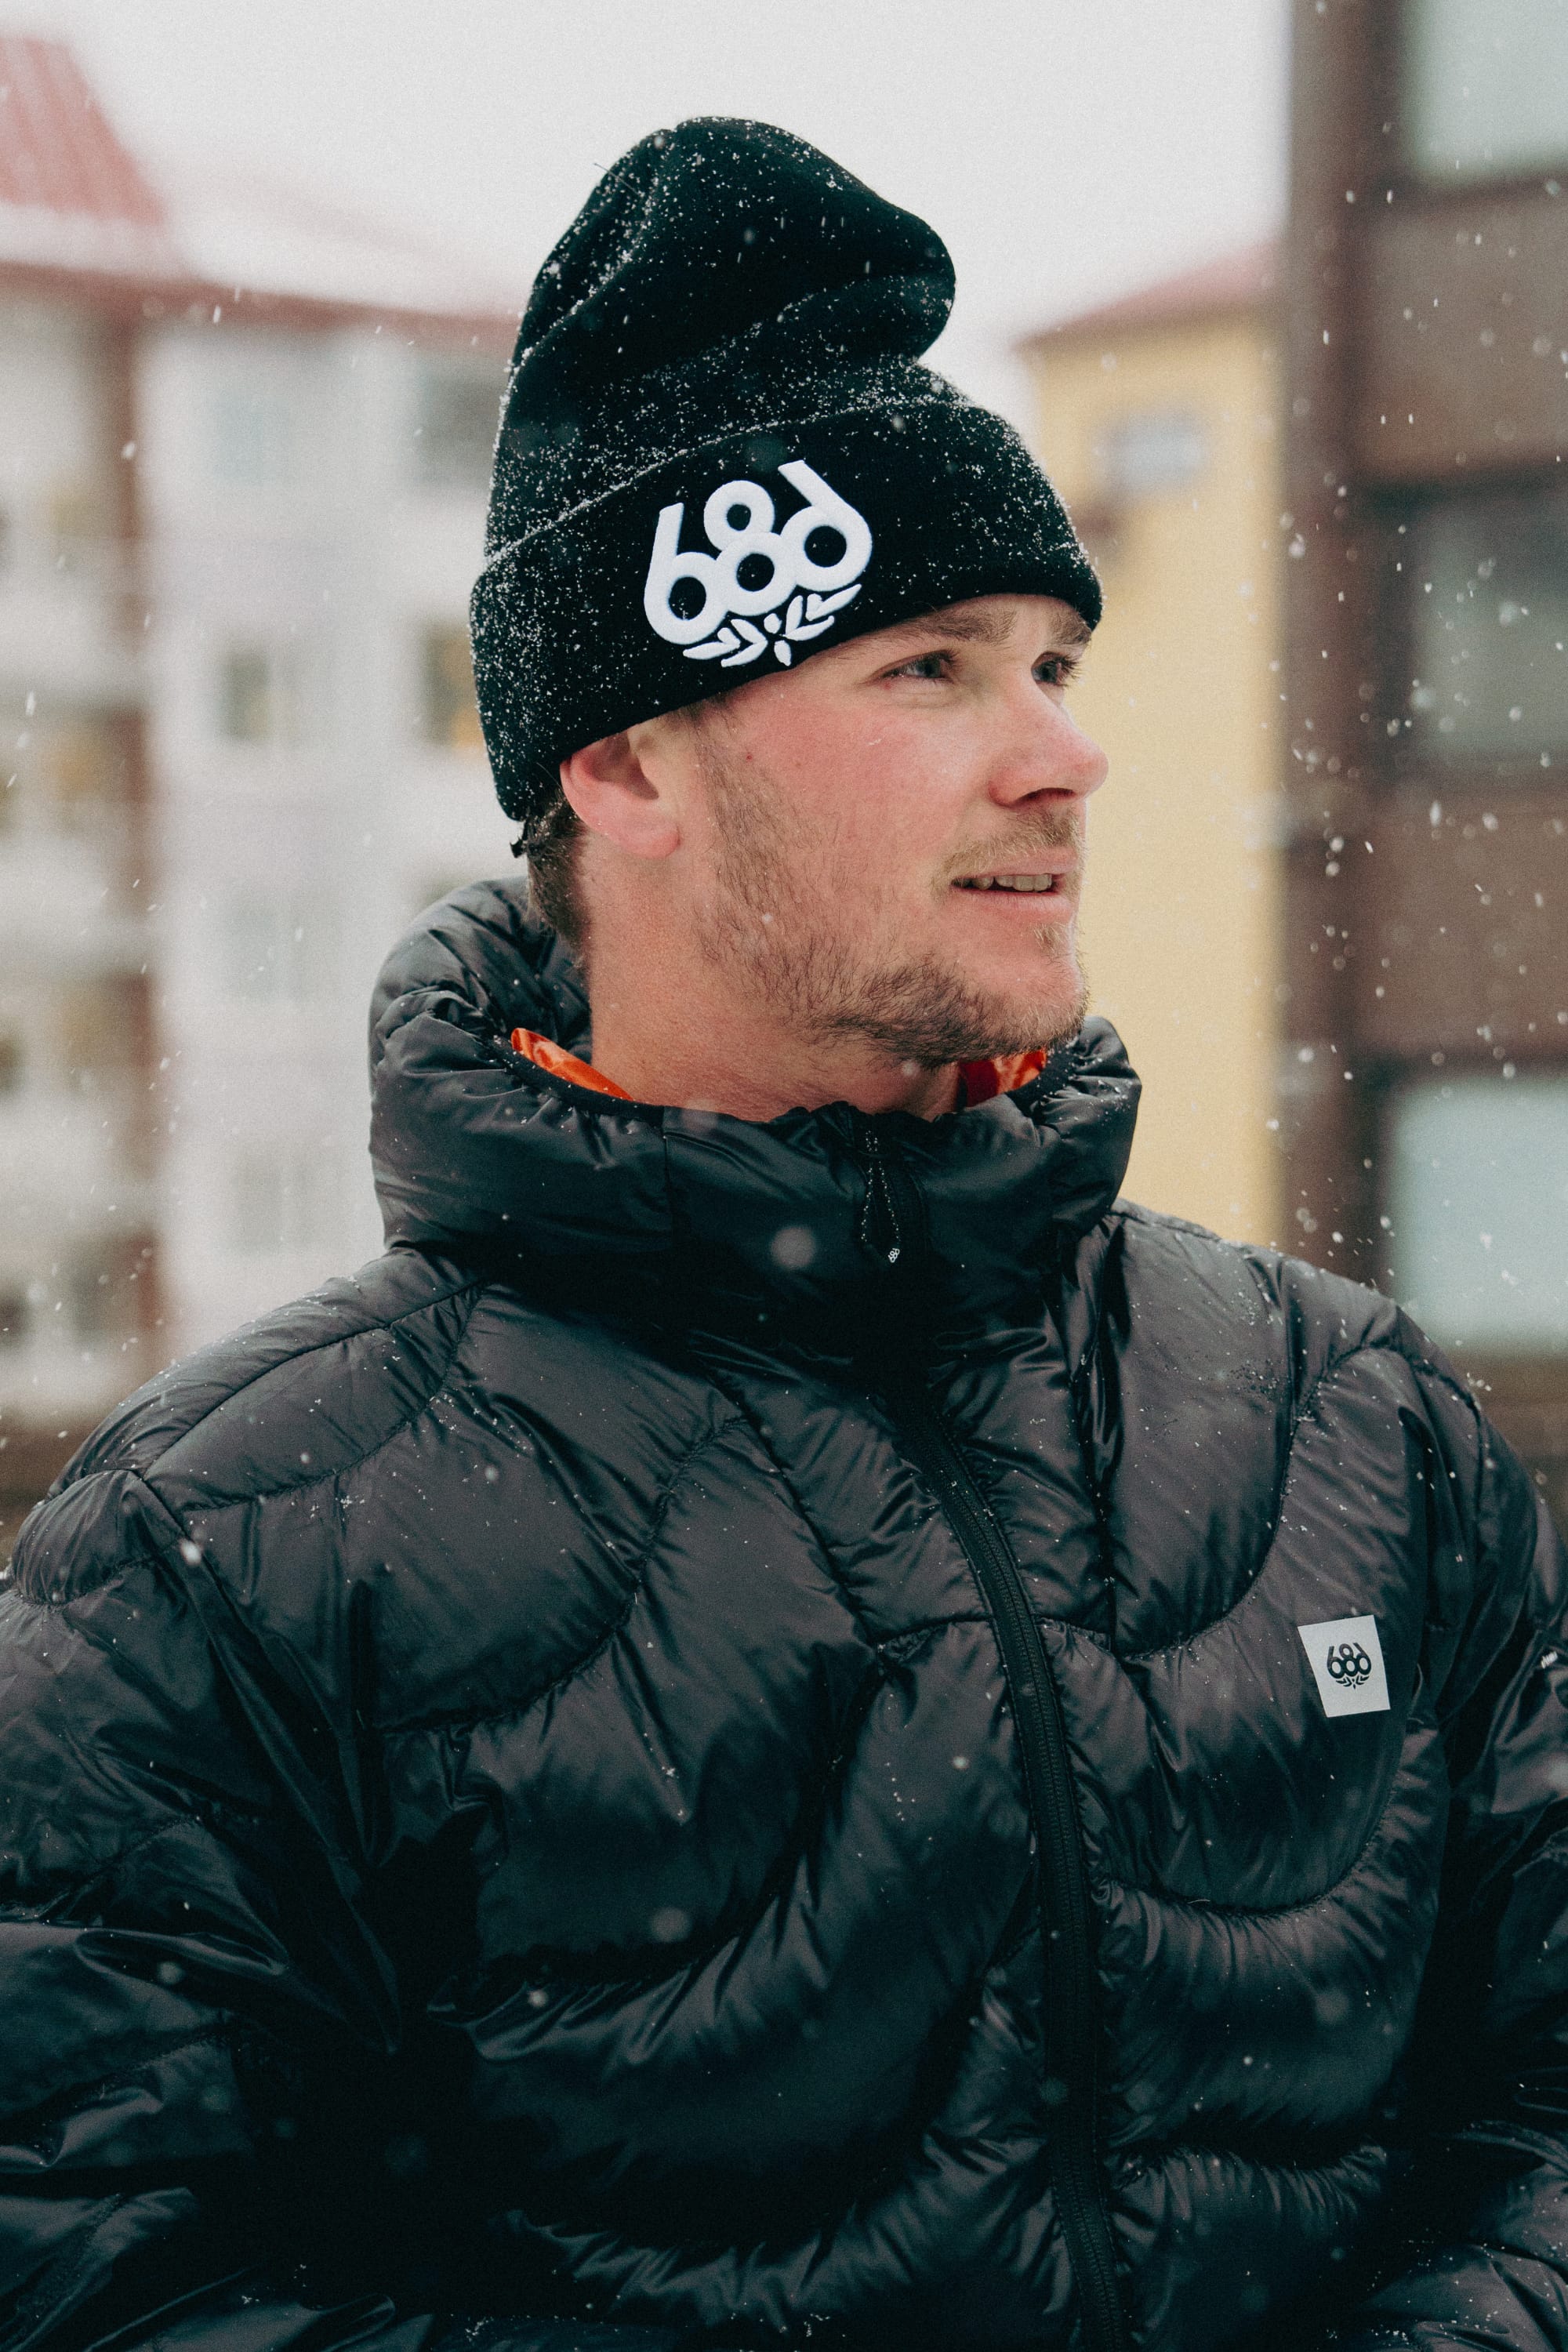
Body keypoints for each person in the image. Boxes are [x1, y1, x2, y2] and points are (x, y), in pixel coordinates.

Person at [2, 119, 1566, 2352]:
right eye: (933, 669)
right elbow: (116, 2284)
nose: (1062, 757)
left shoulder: (1354, 1434)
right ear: (628, 766)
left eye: (1053, 660)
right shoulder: (225, 1562)